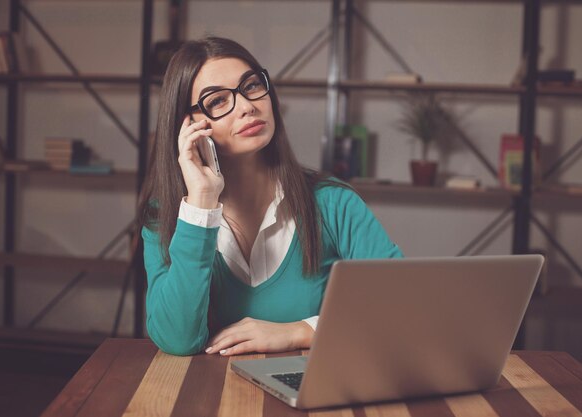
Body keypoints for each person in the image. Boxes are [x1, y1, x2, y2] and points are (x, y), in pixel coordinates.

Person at [137, 36, 403, 356]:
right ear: (189, 126)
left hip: (312, 394)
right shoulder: (165, 217)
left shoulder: (333, 203)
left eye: (251, 86)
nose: (248, 106)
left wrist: (300, 332)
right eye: (218, 101)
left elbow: (399, 306)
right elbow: (177, 338)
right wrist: (202, 202)